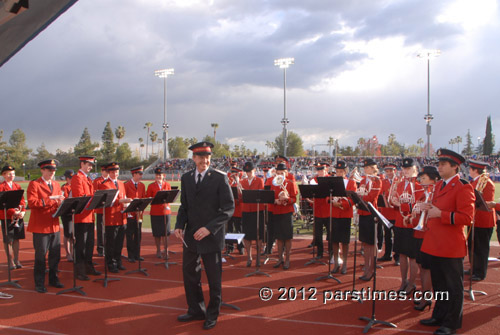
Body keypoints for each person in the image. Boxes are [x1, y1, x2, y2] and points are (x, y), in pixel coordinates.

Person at [174, 141, 234, 330]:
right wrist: (178, 225)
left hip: (211, 236)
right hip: (191, 236)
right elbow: (185, 206)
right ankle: (195, 309)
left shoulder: (219, 178)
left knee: (214, 278)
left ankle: (212, 314)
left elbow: (228, 208)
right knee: (190, 275)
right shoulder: (186, 178)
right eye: (200, 157)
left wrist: (209, 228)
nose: (204, 161)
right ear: (193, 158)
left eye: (207, 157)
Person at [419, 149, 475, 335]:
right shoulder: (439, 185)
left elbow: (467, 217)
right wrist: (427, 208)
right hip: (434, 242)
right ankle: (439, 315)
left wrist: (441, 214)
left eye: (443, 164)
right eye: (439, 163)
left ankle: (451, 323)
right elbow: (435, 208)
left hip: (450, 246)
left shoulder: (463, 186)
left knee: (453, 287)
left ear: (455, 167)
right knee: (440, 284)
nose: (439, 167)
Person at [26, 159, 65, 293]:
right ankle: (39, 282)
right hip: (40, 226)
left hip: (54, 224)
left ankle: (54, 279)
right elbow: (32, 203)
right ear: (42, 170)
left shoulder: (56, 184)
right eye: (49, 170)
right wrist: (51, 200)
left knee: (55, 254)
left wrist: (60, 203)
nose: (51, 173)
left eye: (53, 171)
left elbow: (57, 202)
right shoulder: (34, 184)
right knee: (40, 256)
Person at [390, 158, 423, 294]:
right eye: (404, 169)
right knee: (402, 254)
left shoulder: (420, 184)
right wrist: (393, 202)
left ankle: (412, 282)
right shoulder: (400, 183)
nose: (405, 171)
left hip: (412, 223)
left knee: (413, 256)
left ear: (415, 169)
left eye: (408, 169)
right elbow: (393, 201)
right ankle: (403, 281)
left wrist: (400, 204)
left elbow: (418, 204)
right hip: (400, 222)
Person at [411, 165, 440, 311]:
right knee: (422, 266)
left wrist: (423, 207)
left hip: (428, 234)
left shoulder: (435, 192)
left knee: (427, 267)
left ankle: (427, 296)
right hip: (419, 232)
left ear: (433, 179)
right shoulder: (424, 192)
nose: (421, 180)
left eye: (424, 178)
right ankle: (424, 294)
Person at [97, 162, 131, 273]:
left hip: (122, 216)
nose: (115, 173)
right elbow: (107, 201)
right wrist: (121, 201)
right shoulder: (104, 184)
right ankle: (110, 263)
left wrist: (126, 203)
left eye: (116, 171)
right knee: (111, 243)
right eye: (112, 172)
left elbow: (124, 196)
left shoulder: (121, 183)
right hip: (111, 218)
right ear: (108, 172)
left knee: (119, 242)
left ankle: (118, 261)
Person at [467, 160, 496, 281]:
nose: (469, 171)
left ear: (475, 170)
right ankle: (474, 267)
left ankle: (480, 272)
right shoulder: (474, 181)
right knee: (472, 246)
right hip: (473, 219)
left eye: (470, 169)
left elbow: (486, 204)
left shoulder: (486, 183)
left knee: (481, 248)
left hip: (483, 220)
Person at [72, 156, 99, 281]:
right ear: (82, 164)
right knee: (81, 244)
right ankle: (79, 270)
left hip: (89, 216)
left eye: (91, 165)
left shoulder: (87, 178)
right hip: (82, 216)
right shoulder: (77, 177)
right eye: (88, 164)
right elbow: (80, 197)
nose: (90, 167)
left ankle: (88, 266)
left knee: (89, 244)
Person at [356, 158, 381, 281]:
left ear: (373, 168)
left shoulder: (377, 181)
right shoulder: (362, 181)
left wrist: (360, 196)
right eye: (365, 168)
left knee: (371, 243)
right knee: (365, 243)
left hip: (371, 213)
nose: (365, 170)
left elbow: (371, 197)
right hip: (362, 213)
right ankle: (366, 267)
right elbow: (359, 195)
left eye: (368, 168)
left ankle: (371, 268)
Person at [330, 160, 357, 274]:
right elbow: (327, 195)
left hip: (345, 214)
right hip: (335, 213)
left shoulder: (351, 182)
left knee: (345, 241)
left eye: (341, 171)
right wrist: (331, 201)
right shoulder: (332, 182)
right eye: (337, 171)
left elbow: (353, 199)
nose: (339, 173)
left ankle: (345, 263)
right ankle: (336, 262)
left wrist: (342, 204)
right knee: (334, 240)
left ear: (345, 171)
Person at [270, 163, 298, 270]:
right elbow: (271, 198)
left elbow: (294, 199)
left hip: (287, 212)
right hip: (277, 211)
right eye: (278, 173)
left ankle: (287, 259)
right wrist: (276, 201)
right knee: (279, 237)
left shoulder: (290, 183)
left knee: (287, 237)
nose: (280, 175)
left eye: (282, 173)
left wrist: (287, 199)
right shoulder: (274, 184)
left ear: (286, 173)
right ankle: (280, 258)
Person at [0, 165, 26, 270]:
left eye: (13, 174)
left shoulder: (17, 186)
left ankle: (17, 259)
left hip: (17, 216)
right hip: (7, 217)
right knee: (8, 240)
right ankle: (10, 260)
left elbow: (22, 201)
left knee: (16, 239)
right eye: (9, 174)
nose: (12, 176)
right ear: (4, 175)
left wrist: (22, 211)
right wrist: (12, 212)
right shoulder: (1, 187)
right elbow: (2, 204)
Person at [240, 161, 265, 266]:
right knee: (247, 235)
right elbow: (240, 198)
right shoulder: (242, 182)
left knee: (258, 235)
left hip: (257, 210)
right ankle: (249, 257)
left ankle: (258, 257)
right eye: (247, 172)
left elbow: (261, 194)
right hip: (246, 210)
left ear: (254, 170)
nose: (248, 173)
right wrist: (239, 191)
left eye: (250, 171)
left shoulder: (259, 180)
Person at [146, 167, 172, 259]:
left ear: (163, 176)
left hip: (166, 211)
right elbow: (148, 199)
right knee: (157, 233)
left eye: (160, 175)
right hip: (155, 212)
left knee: (166, 232)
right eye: (157, 175)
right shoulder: (151, 186)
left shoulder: (167, 185)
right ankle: (158, 250)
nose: (158, 176)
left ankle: (166, 250)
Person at [378, 163, 399, 265]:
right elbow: (381, 195)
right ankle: (387, 254)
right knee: (387, 235)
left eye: (391, 171)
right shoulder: (383, 182)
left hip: (396, 212)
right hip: (386, 212)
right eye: (387, 171)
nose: (389, 173)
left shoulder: (399, 181)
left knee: (397, 236)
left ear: (395, 171)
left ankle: (398, 256)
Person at [124, 166, 146, 262]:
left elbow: (143, 199)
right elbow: (124, 198)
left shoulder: (142, 185)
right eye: (139, 174)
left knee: (138, 235)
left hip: (139, 214)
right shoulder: (127, 185)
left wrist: (141, 210)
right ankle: (130, 255)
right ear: (134, 174)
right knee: (130, 235)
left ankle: (137, 254)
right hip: (130, 214)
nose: (141, 176)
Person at [93, 164, 109, 257]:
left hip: (109, 209)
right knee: (101, 230)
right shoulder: (98, 181)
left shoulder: (110, 181)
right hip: (100, 210)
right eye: (105, 171)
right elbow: (95, 194)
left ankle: (107, 247)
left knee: (108, 230)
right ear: (102, 171)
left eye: (108, 171)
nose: (106, 173)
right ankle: (100, 248)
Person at [60, 169, 75, 262]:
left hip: (75, 213)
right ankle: (68, 253)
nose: (72, 180)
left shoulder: (76, 186)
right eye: (70, 178)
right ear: (66, 178)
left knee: (74, 235)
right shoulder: (64, 187)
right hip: (66, 213)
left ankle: (73, 252)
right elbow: (64, 200)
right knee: (68, 233)